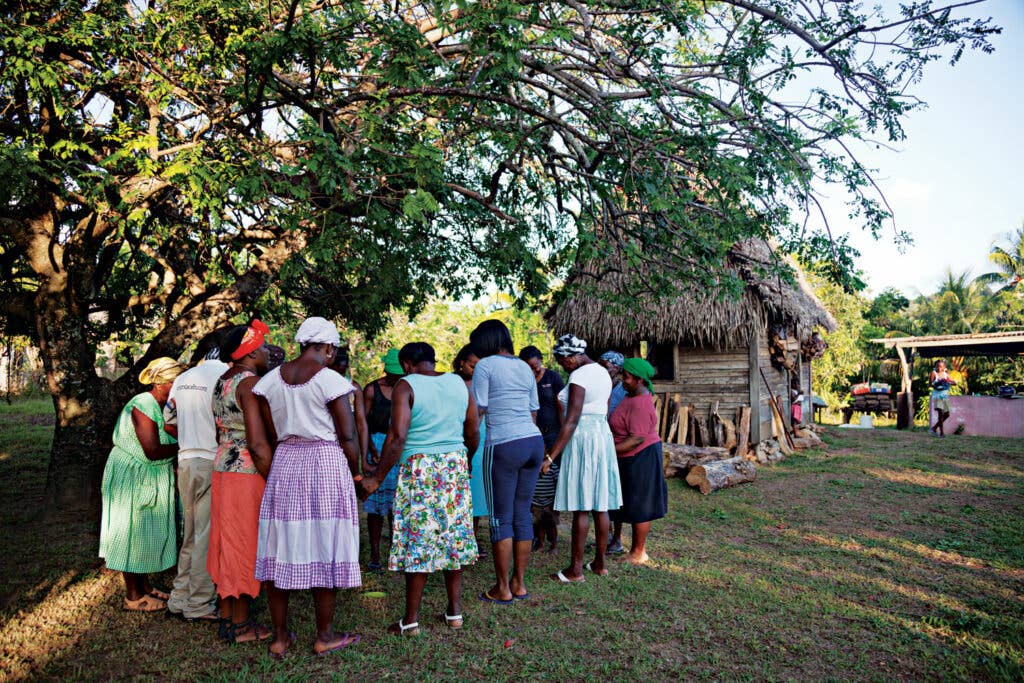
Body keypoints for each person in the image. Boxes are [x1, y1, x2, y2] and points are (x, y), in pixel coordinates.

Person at [250, 317, 363, 657]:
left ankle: (280, 637)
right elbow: (347, 434)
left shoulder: (270, 380)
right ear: (328, 347)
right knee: (325, 543)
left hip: (286, 461)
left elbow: (272, 431)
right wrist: (357, 473)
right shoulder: (330, 379)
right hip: (325, 463)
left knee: (280, 543)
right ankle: (325, 635)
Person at [361, 342, 480, 635]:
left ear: (407, 365)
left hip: (420, 466)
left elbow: (398, 435)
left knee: (419, 539)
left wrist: (377, 476)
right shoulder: (458, 382)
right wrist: (466, 459)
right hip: (454, 464)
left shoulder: (406, 384)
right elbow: (473, 429)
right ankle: (455, 613)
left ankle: (410, 620)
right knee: (453, 536)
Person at [99, 356, 187, 611]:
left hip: (149, 474)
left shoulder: (163, 405)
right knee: (130, 531)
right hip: (132, 475)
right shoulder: (143, 403)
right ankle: (133, 596)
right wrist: (186, 446)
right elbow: (152, 449)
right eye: (176, 382)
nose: (179, 387)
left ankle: (146, 586)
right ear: (162, 383)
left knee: (143, 531)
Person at [206, 321, 273, 643]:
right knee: (244, 543)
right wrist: (273, 476)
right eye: (262, 348)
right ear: (250, 352)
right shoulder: (250, 384)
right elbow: (258, 442)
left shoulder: (222, 380)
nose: (267, 353)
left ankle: (228, 617)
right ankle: (243, 626)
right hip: (247, 472)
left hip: (222, 468)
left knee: (225, 541)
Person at [470, 320, 544, 604]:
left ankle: (502, 588)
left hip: (503, 443)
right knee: (522, 513)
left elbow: (479, 410)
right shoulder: (524, 367)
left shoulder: (486, 366)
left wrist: (467, 443)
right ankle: (519, 583)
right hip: (533, 442)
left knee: (500, 516)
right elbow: (533, 411)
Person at [163, 333, 230, 623]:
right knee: (206, 534)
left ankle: (179, 597)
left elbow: (168, 422)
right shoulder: (226, 376)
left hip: (186, 458)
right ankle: (200, 602)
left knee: (190, 532)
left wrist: (190, 438)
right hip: (211, 460)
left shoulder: (184, 377)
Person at [545, 334, 622, 583]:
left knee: (581, 505)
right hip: (602, 435)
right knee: (600, 503)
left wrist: (551, 456)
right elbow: (605, 406)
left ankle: (575, 570)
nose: (561, 365)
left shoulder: (579, 376)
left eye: (561, 360)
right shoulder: (603, 372)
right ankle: (599, 564)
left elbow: (572, 419)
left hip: (583, 439)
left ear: (571, 356)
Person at [606, 358, 668, 565]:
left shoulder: (641, 402)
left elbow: (637, 438)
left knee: (641, 505)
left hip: (641, 457)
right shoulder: (631, 395)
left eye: (627, 377)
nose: (623, 380)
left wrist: (607, 451)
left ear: (640, 380)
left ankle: (639, 552)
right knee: (629, 502)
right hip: (628, 457)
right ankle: (630, 547)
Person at [361, 349, 404, 572]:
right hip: (376, 444)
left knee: (396, 505)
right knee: (375, 506)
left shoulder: (407, 389)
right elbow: (363, 423)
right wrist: (369, 448)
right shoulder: (372, 389)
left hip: (398, 447)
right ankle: (375, 556)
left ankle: (395, 554)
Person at [518, 345, 564, 553]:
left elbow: (561, 406)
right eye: (529, 367)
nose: (534, 370)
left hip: (553, 434)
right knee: (534, 479)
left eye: (536, 366)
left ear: (540, 361)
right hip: (532, 434)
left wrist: (564, 433)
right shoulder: (522, 380)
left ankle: (553, 535)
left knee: (551, 478)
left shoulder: (553, 378)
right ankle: (538, 537)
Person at [453, 344, 489, 558]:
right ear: (461, 363)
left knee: (476, 492)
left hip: (482, 437)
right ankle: (457, 538)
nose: (475, 370)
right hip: (459, 436)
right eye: (472, 365)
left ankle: (472, 540)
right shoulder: (453, 382)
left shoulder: (483, 384)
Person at [328, 346, 369, 469]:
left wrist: (364, 458)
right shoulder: (322, 385)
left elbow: (361, 424)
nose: (340, 375)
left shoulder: (353, 388)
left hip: (350, 443)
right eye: (336, 371)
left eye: (343, 371)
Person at [930, 359, 955, 437]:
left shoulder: (945, 374)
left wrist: (946, 382)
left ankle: (934, 428)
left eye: (941, 366)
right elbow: (930, 384)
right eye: (937, 366)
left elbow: (954, 383)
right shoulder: (933, 373)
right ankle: (941, 433)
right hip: (937, 395)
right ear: (935, 366)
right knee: (940, 413)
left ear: (944, 367)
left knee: (947, 414)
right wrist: (937, 384)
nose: (939, 368)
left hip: (944, 395)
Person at [599, 351, 627, 416]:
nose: (600, 370)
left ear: (616, 369)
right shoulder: (596, 386)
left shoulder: (623, 391)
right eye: (599, 366)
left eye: (605, 367)